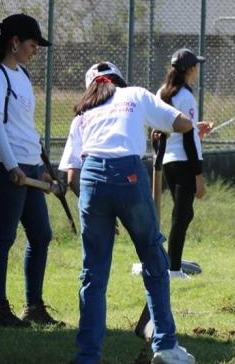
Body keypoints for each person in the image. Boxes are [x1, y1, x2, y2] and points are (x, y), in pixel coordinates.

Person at [61, 61, 195, 364]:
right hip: (129, 174)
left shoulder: (83, 113)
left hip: (92, 178)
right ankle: (164, 344)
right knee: (154, 260)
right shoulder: (134, 95)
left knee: (93, 274)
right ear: (119, 81)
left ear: (92, 87)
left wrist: (97, 209)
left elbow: (71, 178)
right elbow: (181, 122)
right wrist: (162, 130)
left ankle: (87, 357)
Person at [0, 13, 62, 327]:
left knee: (41, 235)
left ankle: (34, 307)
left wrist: (41, 168)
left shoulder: (22, 75)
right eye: (32, 43)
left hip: (29, 168)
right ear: (14, 42)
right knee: (4, 236)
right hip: (3, 167)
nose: (35, 49)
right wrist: (12, 166)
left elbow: (26, 126)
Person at [158, 48, 212, 279]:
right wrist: (198, 175)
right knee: (181, 216)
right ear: (190, 70)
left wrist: (195, 127)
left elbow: (170, 126)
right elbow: (188, 137)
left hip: (168, 159)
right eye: (196, 67)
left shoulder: (162, 92)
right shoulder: (186, 96)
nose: (197, 70)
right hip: (184, 161)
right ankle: (173, 269)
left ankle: (171, 260)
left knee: (184, 214)